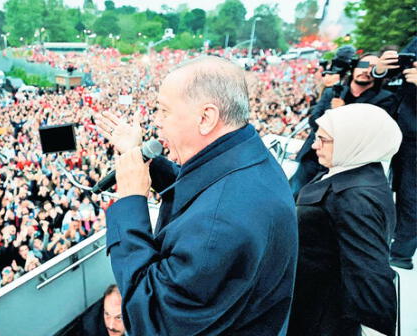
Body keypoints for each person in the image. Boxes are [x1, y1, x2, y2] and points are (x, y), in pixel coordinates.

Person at [96, 56, 298, 335]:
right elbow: (206, 184)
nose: (158, 123)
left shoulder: (219, 225)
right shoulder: (246, 153)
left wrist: (131, 200)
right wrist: (147, 163)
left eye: (164, 111)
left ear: (206, 118)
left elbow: (153, 317)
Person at [287, 104, 401, 336]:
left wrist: (375, 329)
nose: (314, 145)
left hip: (319, 316)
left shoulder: (358, 199)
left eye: (323, 140)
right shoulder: (349, 168)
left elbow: (369, 272)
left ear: (354, 140)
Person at [290, 53, 397, 197]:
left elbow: (368, 134)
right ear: (353, 67)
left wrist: (342, 112)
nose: (366, 71)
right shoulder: (334, 91)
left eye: (372, 68)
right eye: (363, 65)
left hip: (345, 165)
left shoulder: (384, 99)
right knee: (293, 194)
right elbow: (314, 119)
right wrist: (332, 112)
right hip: (313, 156)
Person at [372, 38, 417, 269]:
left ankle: (401, 253)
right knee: (387, 186)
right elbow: (393, 70)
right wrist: (380, 68)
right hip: (396, 130)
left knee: (411, 195)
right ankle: (388, 238)